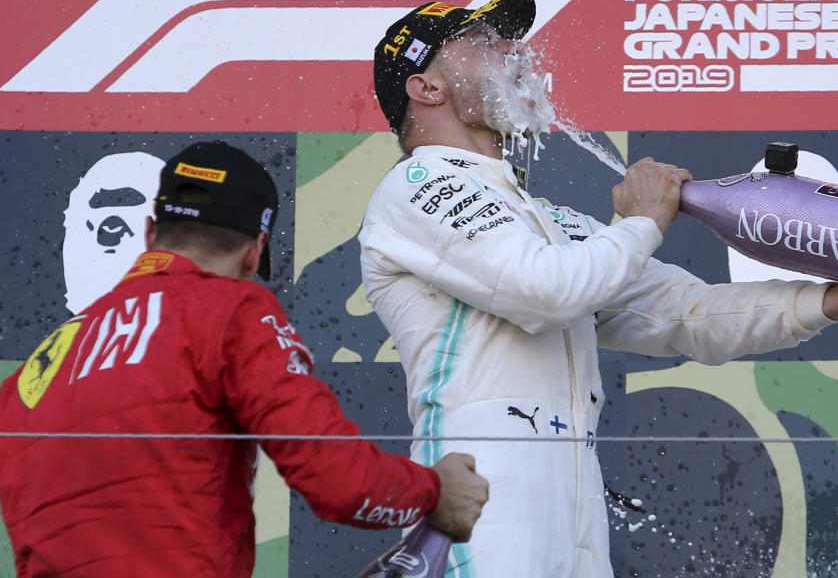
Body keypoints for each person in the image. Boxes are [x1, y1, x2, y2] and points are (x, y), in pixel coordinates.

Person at [359, 0, 838, 577]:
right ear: (428, 88)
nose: (511, 49)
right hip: (480, 506)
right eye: (482, 40)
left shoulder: (546, 220)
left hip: (574, 510)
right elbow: (547, 291)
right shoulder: (415, 186)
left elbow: (689, 316)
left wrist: (827, 301)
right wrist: (641, 221)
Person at [0, 141, 488, 577]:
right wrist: (433, 492)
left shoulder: (36, 369)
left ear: (150, 233)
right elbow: (340, 482)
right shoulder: (229, 310)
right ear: (255, 253)